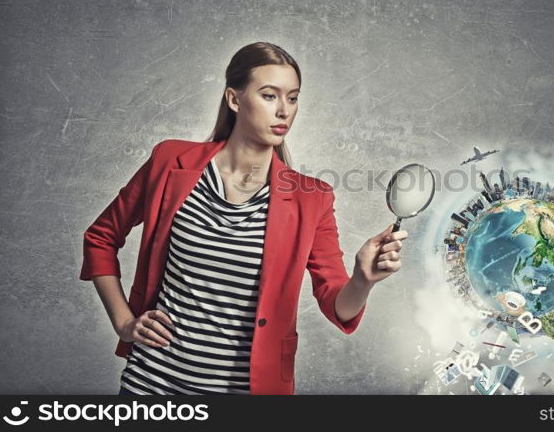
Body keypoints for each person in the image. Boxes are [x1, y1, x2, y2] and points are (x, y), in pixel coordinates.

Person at [80, 42, 408, 395]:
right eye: (270, 96)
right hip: (151, 388)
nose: (284, 110)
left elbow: (337, 304)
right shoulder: (170, 161)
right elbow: (100, 237)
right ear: (234, 100)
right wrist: (124, 321)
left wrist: (362, 280)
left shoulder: (312, 198)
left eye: (293, 98)